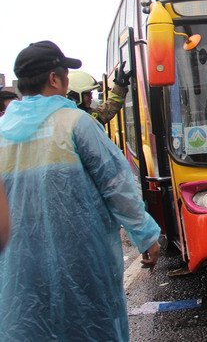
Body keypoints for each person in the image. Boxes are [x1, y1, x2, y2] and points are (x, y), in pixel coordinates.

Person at [0, 40, 160, 340]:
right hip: (81, 260)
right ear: (54, 79)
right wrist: (146, 236)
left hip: (20, 267)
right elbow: (117, 184)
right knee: (89, 325)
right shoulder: (76, 123)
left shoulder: (2, 133)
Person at [67, 64, 132, 125]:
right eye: (87, 94)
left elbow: (107, 110)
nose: (91, 97)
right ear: (75, 96)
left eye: (91, 93)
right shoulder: (68, 123)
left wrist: (120, 86)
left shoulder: (87, 115)